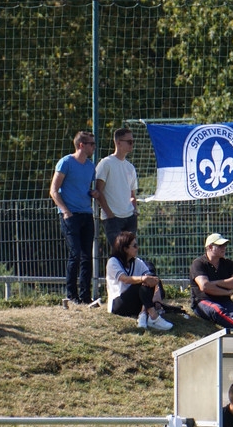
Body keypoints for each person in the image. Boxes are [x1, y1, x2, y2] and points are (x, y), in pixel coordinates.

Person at [49, 131, 97, 305]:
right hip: (70, 215)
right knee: (75, 253)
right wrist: (65, 211)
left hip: (86, 214)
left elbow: (87, 189)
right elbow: (53, 190)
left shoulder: (91, 166)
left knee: (86, 256)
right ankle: (71, 295)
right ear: (81, 145)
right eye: (91, 143)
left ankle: (85, 296)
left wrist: (94, 193)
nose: (94, 146)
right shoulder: (66, 162)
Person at [105, 231, 172, 331]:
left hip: (134, 303)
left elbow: (151, 277)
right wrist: (143, 279)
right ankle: (152, 316)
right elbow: (125, 279)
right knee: (142, 282)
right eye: (134, 246)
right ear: (125, 249)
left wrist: (156, 291)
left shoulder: (137, 261)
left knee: (150, 278)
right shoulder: (113, 262)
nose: (137, 248)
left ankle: (144, 314)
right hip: (118, 304)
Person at [190, 233, 233, 329]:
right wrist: (226, 291)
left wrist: (215, 283)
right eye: (220, 245)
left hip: (224, 300)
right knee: (217, 310)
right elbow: (204, 286)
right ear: (210, 247)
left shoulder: (228, 263)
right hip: (203, 301)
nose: (224, 248)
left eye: (225, 245)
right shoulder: (198, 263)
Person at [95, 127, 139, 247]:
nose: (132, 145)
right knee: (118, 253)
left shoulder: (130, 167)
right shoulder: (106, 163)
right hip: (113, 218)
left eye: (132, 142)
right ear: (118, 142)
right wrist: (109, 214)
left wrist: (134, 210)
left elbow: (132, 194)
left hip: (129, 217)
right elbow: (98, 190)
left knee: (131, 255)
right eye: (129, 142)